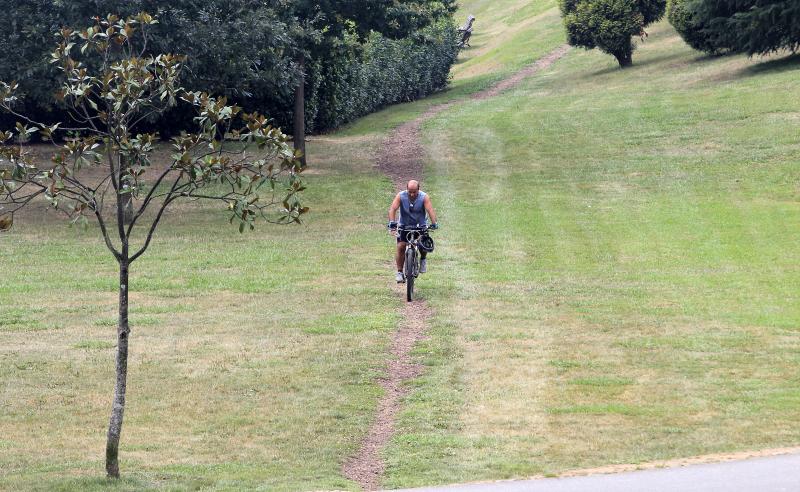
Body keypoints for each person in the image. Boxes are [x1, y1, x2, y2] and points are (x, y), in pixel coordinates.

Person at [387, 180, 438, 283]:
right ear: (407, 189)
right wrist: (392, 222)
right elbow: (393, 209)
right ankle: (400, 272)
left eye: (414, 192)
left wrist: (434, 223)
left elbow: (430, 210)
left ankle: (423, 259)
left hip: (420, 225)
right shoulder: (400, 196)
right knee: (401, 246)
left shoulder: (424, 197)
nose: (412, 194)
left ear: (418, 190)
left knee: (422, 245)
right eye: (410, 191)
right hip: (404, 225)